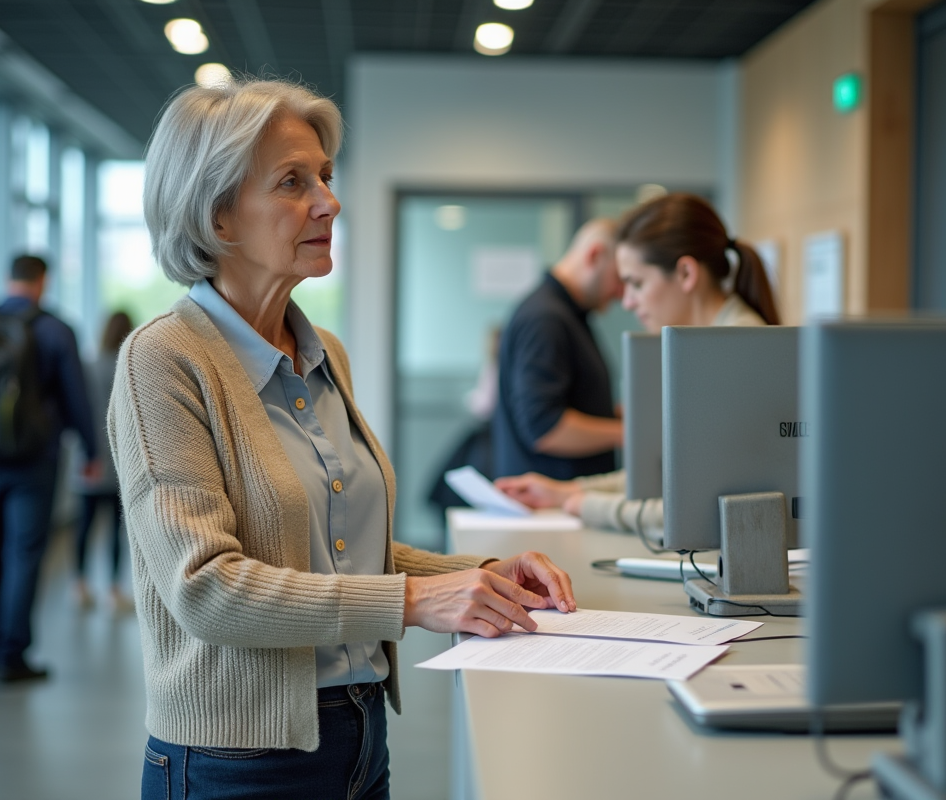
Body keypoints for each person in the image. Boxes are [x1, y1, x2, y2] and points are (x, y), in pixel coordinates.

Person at [117, 77, 576, 799]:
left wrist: (481, 573)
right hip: (237, 761)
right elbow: (203, 589)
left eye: (326, 177)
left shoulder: (323, 351)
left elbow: (336, 549)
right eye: (293, 182)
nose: (329, 202)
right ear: (219, 218)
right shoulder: (164, 359)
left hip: (359, 737)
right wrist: (413, 603)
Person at [496, 192, 780, 539]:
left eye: (637, 283)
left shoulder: (737, 354)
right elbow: (671, 482)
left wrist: (583, 503)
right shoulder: (713, 348)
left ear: (686, 273)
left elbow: (689, 507)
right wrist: (568, 492)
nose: (627, 301)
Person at [0, 255, 99, 682]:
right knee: (25, 551)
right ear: (42, 282)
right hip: (34, 457)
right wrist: (91, 450)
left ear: (7, 278)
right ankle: (11, 654)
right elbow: (75, 396)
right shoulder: (54, 328)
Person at [491, 218, 624, 482]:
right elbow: (545, 428)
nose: (623, 294)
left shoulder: (566, 315)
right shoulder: (546, 318)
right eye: (620, 278)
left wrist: (617, 415)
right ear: (595, 255)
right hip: (549, 510)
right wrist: (629, 433)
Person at [73, 311, 134, 610]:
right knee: (114, 528)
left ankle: (80, 586)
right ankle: (112, 590)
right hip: (119, 461)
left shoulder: (86, 367)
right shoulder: (130, 368)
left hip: (88, 459)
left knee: (83, 525)